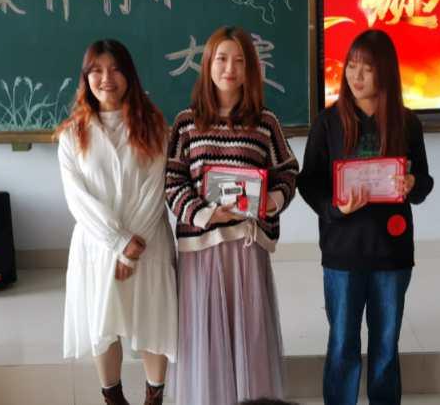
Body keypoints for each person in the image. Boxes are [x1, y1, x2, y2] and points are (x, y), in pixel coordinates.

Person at [297, 29, 434, 405]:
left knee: (386, 345)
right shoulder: (328, 122)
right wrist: (334, 209)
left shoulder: (407, 123)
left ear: (385, 72)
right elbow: (308, 182)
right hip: (343, 253)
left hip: (392, 253)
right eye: (351, 66)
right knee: (343, 343)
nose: (356, 76)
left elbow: (424, 182)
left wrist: (412, 184)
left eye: (367, 68)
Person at [166, 26, 298, 405]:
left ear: (250, 68)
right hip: (201, 249)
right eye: (222, 59)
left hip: (245, 248)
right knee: (206, 337)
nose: (230, 69)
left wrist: (272, 201)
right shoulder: (186, 123)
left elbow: (288, 170)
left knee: (248, 336)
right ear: (207, 64)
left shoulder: (265, 122)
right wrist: (205, 215)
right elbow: (172, 181)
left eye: (239, 61)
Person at [55, 39, 177, 405]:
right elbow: (78, 199)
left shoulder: (155, 127)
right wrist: (118, 242)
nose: (106, 78)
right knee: (103, 325)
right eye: (97, 70)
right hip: (97, 245)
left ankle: (154, 398)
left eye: (115, 69)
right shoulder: (72, 133)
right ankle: (114, 399)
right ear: (86, 78)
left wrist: (131, 248)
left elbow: (155, 189)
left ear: (129, 75)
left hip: (147, 242)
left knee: (153, 320)